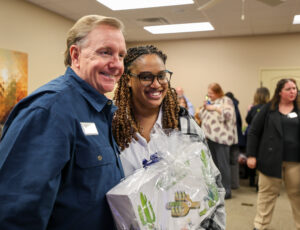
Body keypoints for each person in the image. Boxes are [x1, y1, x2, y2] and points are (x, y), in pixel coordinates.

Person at [0, 15, 126, 230]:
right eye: (105, 52)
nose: (116, 65)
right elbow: (17, 214)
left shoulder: (99, 110)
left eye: (121, 55)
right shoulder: (49, 111)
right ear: (75, 55)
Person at [112, 45, 226, 229]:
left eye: (162, 75)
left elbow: (213, 185)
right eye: (146, 76)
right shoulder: (111, 127)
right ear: (127, 80)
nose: (156, 84)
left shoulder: (185, 126)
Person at [247, 79, 300, 230]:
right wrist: (251, 155)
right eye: (288, 89)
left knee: (297, 195)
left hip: (295, 161)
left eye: (294, 88)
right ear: (280, 92)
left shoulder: (299, 108)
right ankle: (260, 225)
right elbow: (254, 131)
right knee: (266, 195)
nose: (293, 91)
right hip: (270, 159)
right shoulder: (268, 108)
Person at [196, 83, 237, 199]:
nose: (209, 95)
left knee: (223, 166)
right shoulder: (209, 102)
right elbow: (201, 116)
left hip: (221, 139)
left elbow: (229, 115)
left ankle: (226, 191)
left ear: (218, 92)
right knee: (213, 166)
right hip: (209, 138)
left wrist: (213, 108)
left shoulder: (226, 101)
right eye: (208, 93)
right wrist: (203, 108)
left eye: (211, 93)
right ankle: (216, 191)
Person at [245, 87, 270, 187]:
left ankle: (251, 180)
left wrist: (249, 110)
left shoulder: (254, 108)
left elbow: (247, 120)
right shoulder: (269, 108)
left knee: (252, 158)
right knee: (263, 161)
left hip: (254, 137)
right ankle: (259, 184)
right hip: (265, 138)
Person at [225, 91, 245, 190]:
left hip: (227, 137)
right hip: (237, 138)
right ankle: (235, 184)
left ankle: (227, 184)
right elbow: (240, 122)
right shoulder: (236, 105)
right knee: (234, 162)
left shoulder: (226, 105)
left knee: (226, 161)